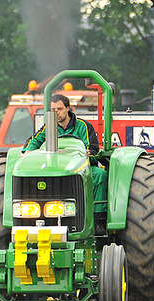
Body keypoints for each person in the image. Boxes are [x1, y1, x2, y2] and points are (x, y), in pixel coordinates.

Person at [22, 94, 108, 233]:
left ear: (68, 108)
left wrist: (86, 154)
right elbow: (34, 141)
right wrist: (27, 152)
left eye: (60, 109)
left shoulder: (83, 126)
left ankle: (98, 219)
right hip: (56, 168)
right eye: (53, 110)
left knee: (100, 175)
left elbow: (93, 150)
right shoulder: (48, 128)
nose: (57, 113)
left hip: (81, 169)